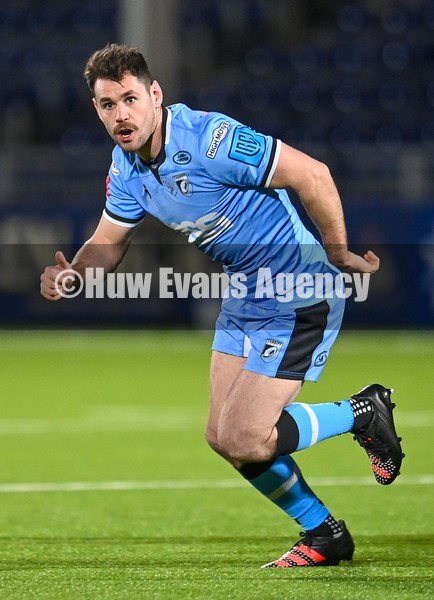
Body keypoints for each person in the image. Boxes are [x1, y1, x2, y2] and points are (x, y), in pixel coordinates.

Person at [40, 43, 404, 568]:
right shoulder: (125, 168)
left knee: (247, 436)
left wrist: (338, 251)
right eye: (106, 105)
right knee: (222, 437)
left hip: (300, 292)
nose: (121, 114)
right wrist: (74, 274)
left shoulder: (210, 140)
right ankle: (323, 532)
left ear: (154, 94)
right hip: (245, 296)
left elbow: (314, 175)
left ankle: (362, 413)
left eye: (129, 99)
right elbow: (108, 243)